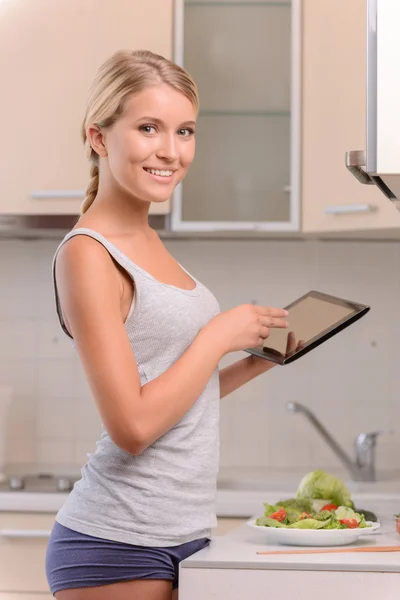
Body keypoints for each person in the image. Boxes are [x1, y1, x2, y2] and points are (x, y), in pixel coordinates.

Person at [45, 49, 292, 600]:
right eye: (149, 128)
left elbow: (174, 395)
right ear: (99, 137)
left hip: (184, 532)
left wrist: (255, 359)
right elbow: (132, 428)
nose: (171, 151)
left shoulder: (150, 241)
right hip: (117, 541)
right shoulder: (88, 254)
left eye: (185, 131)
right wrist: (218, 335)